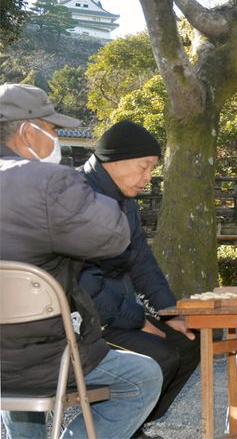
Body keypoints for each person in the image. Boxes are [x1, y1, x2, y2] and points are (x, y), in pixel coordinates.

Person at [0, 84, 163, 439]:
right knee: (143, 378)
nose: (57, 137)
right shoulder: (48, 181)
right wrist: (90, 189)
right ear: (29, 131)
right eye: (53, 129)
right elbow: (114, 237)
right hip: (42, 360)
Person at [77, 120, 200, 439]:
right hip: (87, 322)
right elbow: (83, 285)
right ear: (114, 161)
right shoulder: (76, 196)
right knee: (160, 355)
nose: (149, 177)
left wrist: (169, 313)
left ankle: (130, 424)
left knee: (188, 344)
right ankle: (112, 426)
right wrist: (136, 320)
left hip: (118, 313)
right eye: (144, 167)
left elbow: (142, 261)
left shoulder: (124, 200)